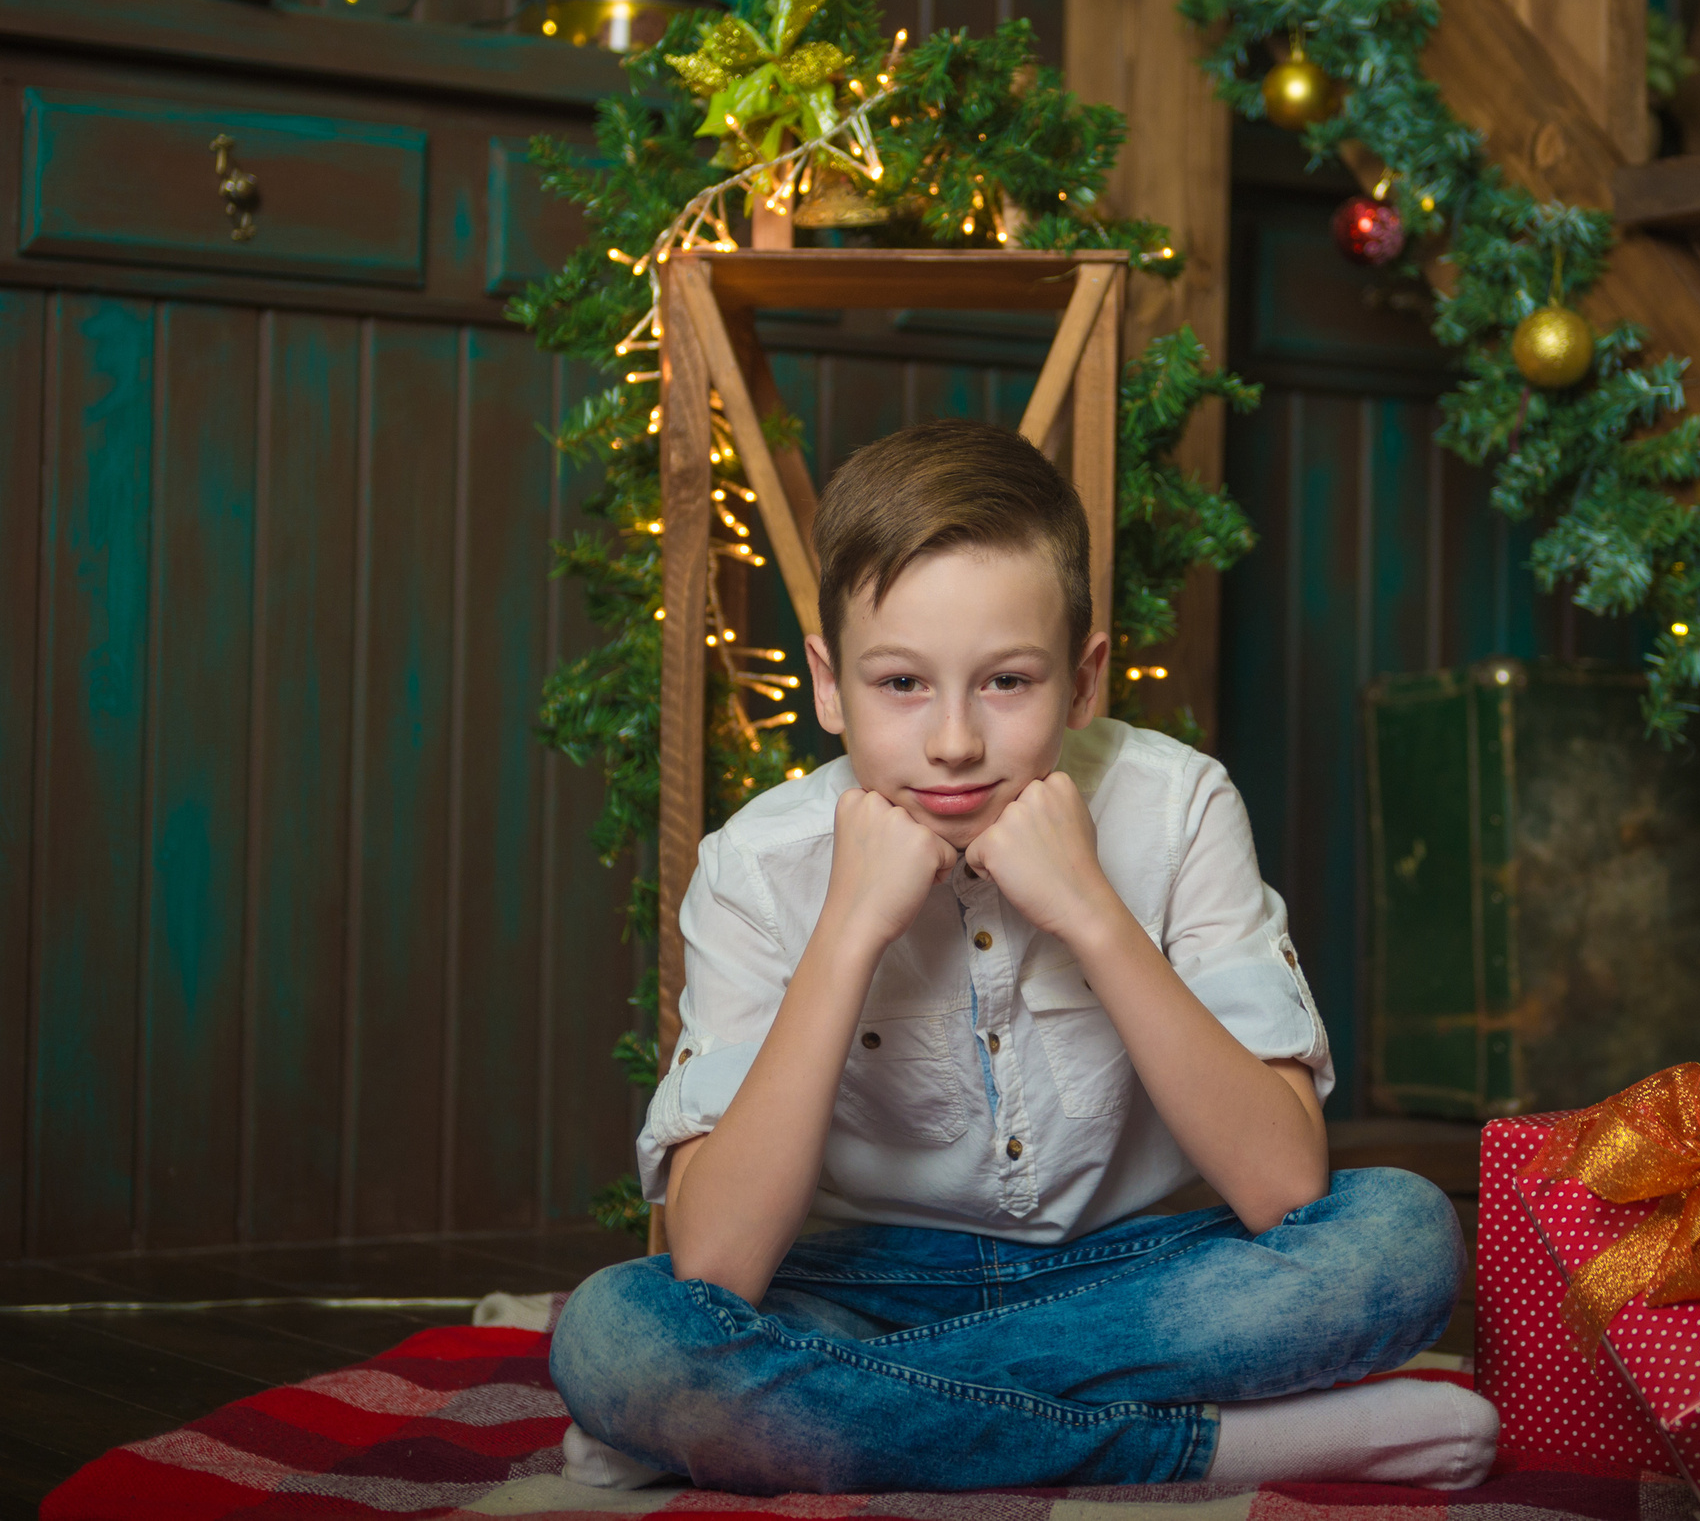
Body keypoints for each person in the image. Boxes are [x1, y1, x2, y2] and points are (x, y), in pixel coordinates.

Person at [551, 419, 1490, 1496]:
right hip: (862, 1283)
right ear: (827, 680)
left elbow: (1282, 1183)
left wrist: (1092, 911)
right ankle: (1230, 1445)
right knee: (618, 1330)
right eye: (900, 684)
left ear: (1085, 679)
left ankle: (768, 1418)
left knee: (1400, 1236)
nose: (954, 740)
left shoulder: (1178, 806)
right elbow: (717, 1261)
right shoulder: (756, 865)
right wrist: (848, 931)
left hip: (1134, 1276)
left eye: (1007, 681)